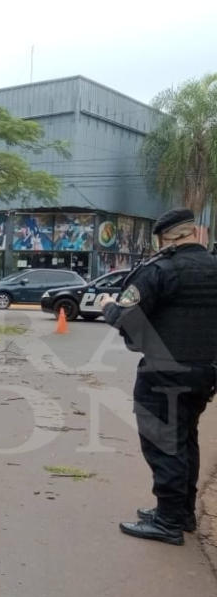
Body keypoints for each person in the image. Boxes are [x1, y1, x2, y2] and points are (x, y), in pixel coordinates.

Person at [100, 208, 217, 545]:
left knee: (164, 444)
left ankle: (167, 521)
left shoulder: (160, 270)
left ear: (165, 238)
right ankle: (181, 513)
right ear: (194, 233)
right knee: (185, 441)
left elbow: (126, 319)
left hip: (163, 374)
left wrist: (109, 304)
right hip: (204, 373)